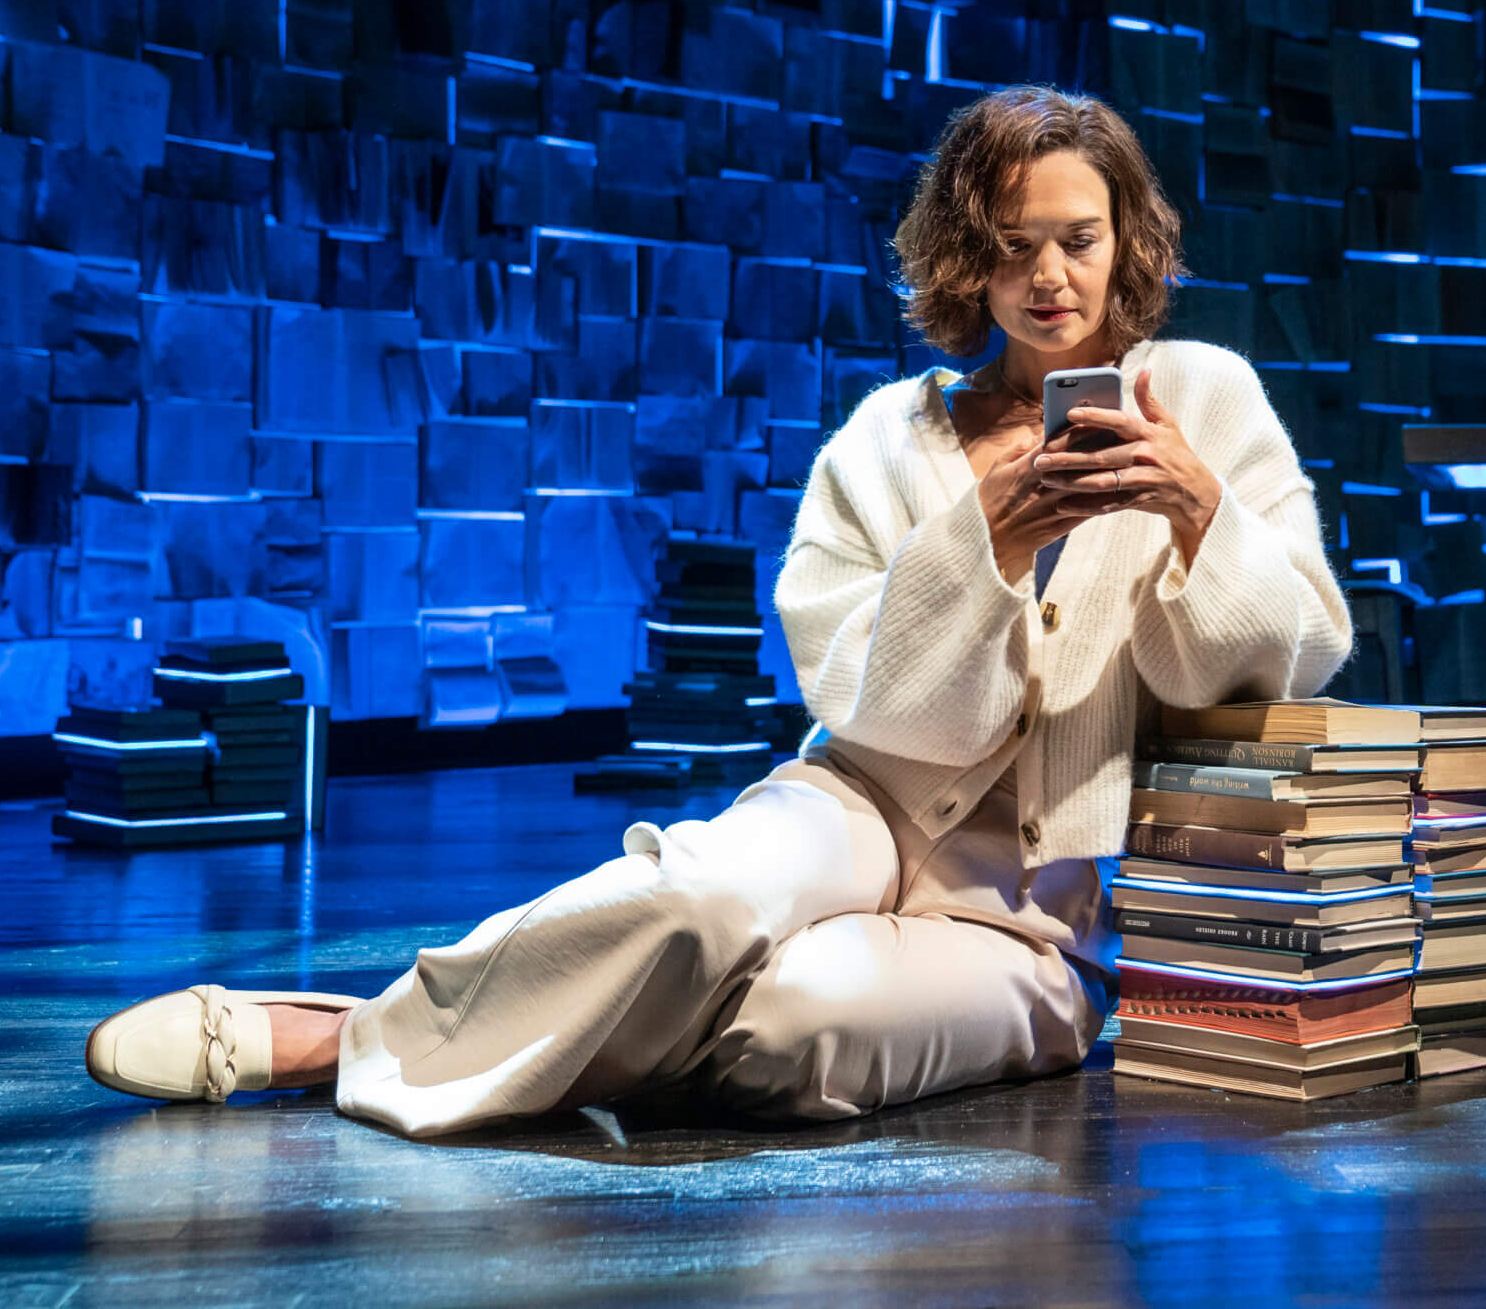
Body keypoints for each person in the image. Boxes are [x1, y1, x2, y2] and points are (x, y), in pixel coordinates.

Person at [83, 86, 1354, 1134]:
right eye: (1014, 243)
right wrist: (981, 545)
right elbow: (856, 697)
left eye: (1077, 237)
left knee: (799, 1028)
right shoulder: (883, 439)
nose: (1048, 275)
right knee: (693, 901)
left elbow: (1279, 660)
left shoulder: (1201, 395)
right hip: (855, 801)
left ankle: (552, 1031)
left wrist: (1199, 516)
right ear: (969, 255)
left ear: (1127, 241)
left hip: (1028, 908)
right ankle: (339, 1036)